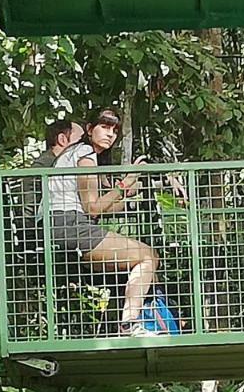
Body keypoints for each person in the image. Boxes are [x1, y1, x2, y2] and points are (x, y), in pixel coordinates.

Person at [47, 108, 160, 337]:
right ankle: (130, 323)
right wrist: (124, 184)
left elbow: (97, 209)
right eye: (104, 127)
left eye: (114, 130)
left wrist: (126, 195)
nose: (110, 134)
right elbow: (93, 208)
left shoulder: (80, 154)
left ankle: (120, 328)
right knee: (148, 255)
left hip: (66, 226)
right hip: (68, 225)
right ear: (90, 129)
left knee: (131, 265)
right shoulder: (85, 153)